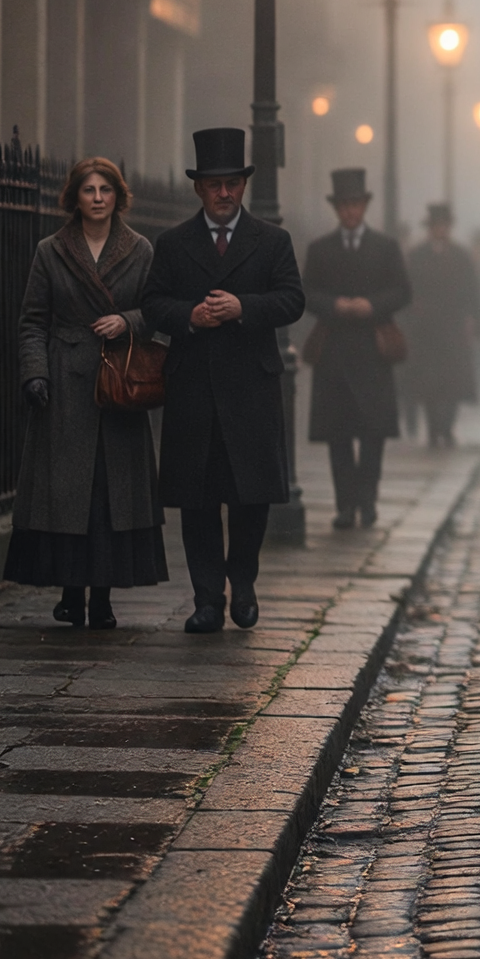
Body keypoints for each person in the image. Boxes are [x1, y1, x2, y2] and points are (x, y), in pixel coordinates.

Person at [142, 127, 306, 633]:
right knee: (197, 498)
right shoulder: (172, 243)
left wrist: (243, 307)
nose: (224, 192)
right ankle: (207, 598)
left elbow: (292, 300)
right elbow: (152, 304)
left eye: (232, 183)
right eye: (214, 184)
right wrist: (191, 315)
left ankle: (245, 581)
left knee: (248, 495)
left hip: (250, 387)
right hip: (193, 386)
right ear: (198, 188)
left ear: (243, 185)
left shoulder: (272, 240)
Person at [5, 157, 167, 627]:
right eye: (88, 190)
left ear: (118, 196)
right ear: (74, 197)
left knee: (109, 493)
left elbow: (156, 310)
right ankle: (70, 593)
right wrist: (35, 373)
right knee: (67, 494)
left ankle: (103, 599)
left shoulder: (140, 250)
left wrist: (127, 321)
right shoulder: (50, 250)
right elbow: (32, 319)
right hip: (65, 382)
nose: (97, 199)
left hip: (117, 380)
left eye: (106, 190)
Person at [303, 169, 413, 528]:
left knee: (372, 434)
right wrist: (334, 305)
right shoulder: (320, 249)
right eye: (344, 206)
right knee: (338, 435)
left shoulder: (385, 247)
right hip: (334, 353)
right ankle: (344, 506)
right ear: (337, 209)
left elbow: (402, 290)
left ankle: (367, 501)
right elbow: (307, 293)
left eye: (355, 205)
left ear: (364, 206)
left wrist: (372, 305)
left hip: (373, 352)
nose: (350, 212)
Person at [403, 203, 480, 446]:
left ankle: (447, 427)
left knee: (453, 380)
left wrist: (474, 320)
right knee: (428, 381)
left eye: (444, 226)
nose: (440, 230)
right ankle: (434, 429)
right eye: (436, 226)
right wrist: (412, 314)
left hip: (453, 327)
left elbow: (472, 291)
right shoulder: (417, 256)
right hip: (425, 329)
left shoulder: (461, 255)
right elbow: (407, 290)